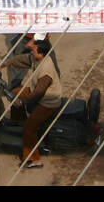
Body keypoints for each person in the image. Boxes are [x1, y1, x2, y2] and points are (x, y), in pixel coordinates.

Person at [4, 37, 62, 168]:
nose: (32, 52)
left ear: (41, 53)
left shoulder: (46, 69)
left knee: (29, 129)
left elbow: (38, 93)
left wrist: (23, 102)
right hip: (39, 94)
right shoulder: (37, 58)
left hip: (47, 103)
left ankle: (34, 159)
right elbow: (23, 60)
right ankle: (18, 119)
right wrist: (4, 64)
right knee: (16, 92)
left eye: (34, 50)